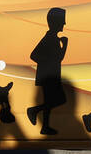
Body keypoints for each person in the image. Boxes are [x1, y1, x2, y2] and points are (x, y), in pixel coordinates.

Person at [27, 7, 69, 135]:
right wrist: (65, 46)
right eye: (62, 21)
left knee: (50, 101)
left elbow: (57, 59)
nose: (64, 23)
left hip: (50, 75)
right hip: (48, 76)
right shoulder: (50, 38)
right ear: (56, 22)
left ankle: (44, 126)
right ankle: (34, 111)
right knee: (59, 99)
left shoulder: (53, 38)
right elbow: (34, 55)